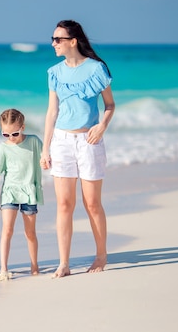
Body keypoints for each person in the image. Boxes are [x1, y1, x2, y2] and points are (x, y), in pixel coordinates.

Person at [40, 19, 115, 278]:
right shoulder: (54, 72)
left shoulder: (96, 69)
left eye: (58, 39)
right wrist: (45, 148)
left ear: (73, 41)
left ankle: (101, 255)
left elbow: (110, 105)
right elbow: (52, 112)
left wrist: (102, 126)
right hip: (61, 141)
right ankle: (64, 263)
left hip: (89, 142)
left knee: (92, 203)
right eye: (53, 39)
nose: (53, 43)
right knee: (64, 204)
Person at [0, 109, 43, 280]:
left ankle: (34, 265)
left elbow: (47, 156)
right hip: (9, 192)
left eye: (15, 133)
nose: (11, 137)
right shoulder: (3, 148)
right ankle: (4, 268)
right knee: (7, 230)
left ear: (23, 127)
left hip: (29, 192)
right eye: (6, 134)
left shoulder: (33, 142)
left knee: (30, 233)